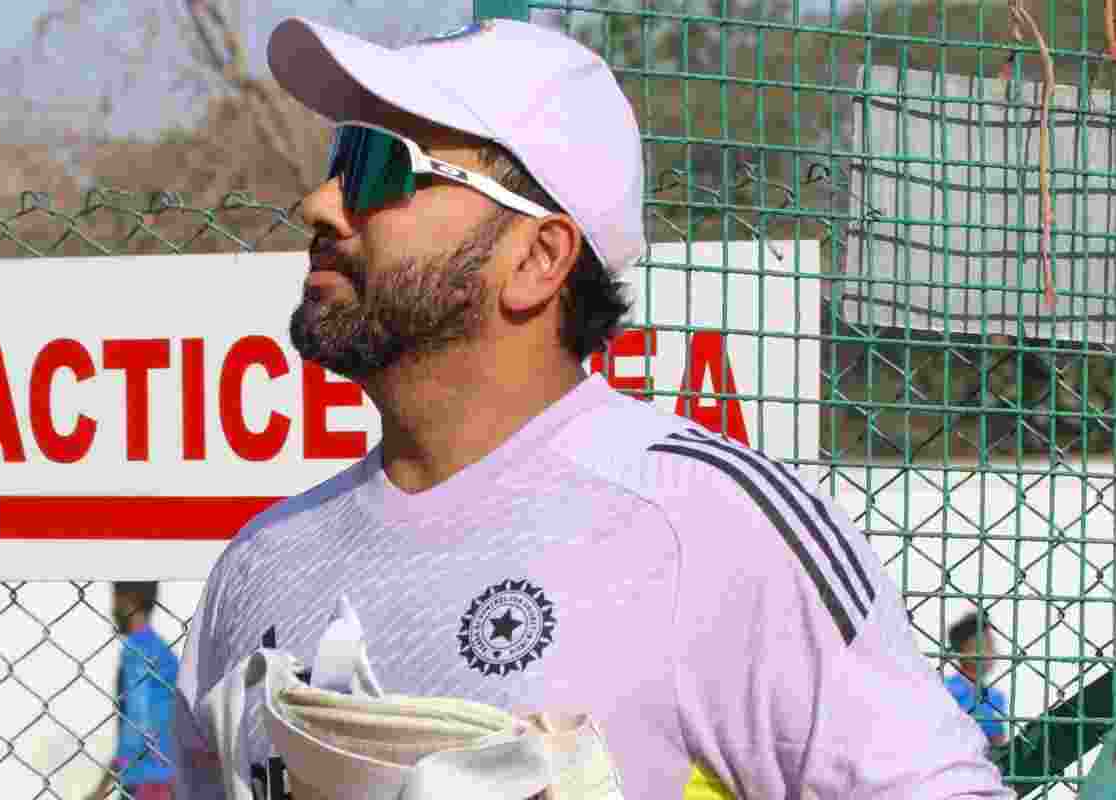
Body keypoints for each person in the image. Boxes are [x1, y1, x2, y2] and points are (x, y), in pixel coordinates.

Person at [172, 15, 1013, 800]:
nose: (322, 203)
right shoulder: (259, 563)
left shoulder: (709, 528)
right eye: (338, 157)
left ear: (538, 256)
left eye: (381, 166)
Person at [86, 582, 180, 800]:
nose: (112, 608)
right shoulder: (162, 652)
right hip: (165, 779)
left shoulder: (137, 652)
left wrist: (101, 788)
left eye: (115, 598)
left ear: (130, 598)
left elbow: (136, 727)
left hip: (145, 782)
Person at [944, 610, 1011, 748]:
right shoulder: (945, 691)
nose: (992, 653)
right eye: (984, 646)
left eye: (992, 646)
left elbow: (998, 743)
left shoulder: (996, 697)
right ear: (962, 649)